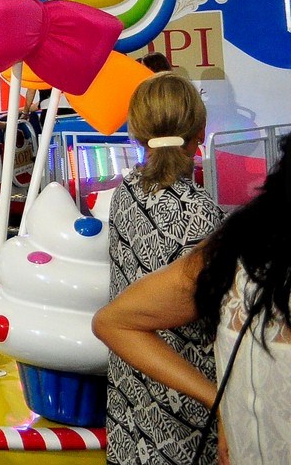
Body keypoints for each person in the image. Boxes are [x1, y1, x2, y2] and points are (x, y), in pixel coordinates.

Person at [94, 132, 291, 465]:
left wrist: (221, 401)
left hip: (140, 391)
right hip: (185, 411)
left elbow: (114, 318)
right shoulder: (201, 211)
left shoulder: (125, 191)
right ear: (198, 134)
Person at [103, 74, 222, 465]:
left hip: (131, 383)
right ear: (201, 132)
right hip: (189, 396)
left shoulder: (126, 190)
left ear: (137, 133)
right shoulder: (206, 217)